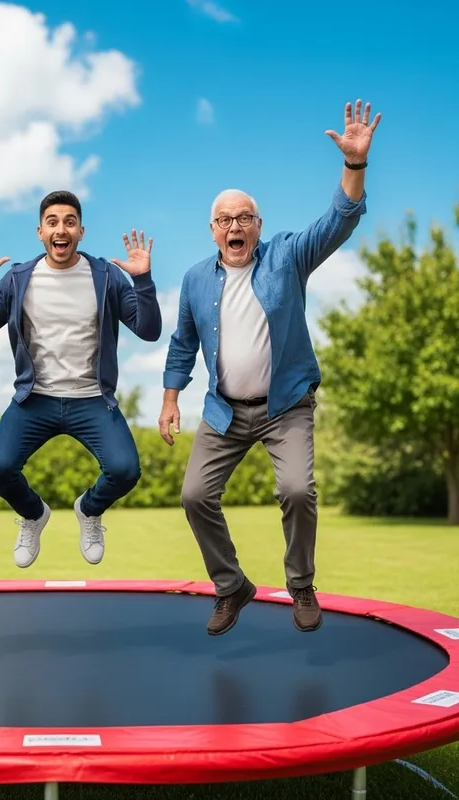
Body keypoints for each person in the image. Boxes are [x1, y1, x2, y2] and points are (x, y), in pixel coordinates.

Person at [158, 100, 382, 636]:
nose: (235, 226)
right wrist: (171, 398)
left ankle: (300, 582)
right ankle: (232, 586)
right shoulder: (194, 279)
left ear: (258, 225)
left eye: (244, 218)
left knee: (298, 492)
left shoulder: (287, 256)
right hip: (224, 412)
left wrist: (354, 166)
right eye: (225, 220)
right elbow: (182, 342)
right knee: (194, 496)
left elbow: (339, 221)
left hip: (285, 406)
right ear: (213, 229)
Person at [0, 191, 162, 567]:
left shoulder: (105, 276)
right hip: (34, 399)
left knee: (125, 470)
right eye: (52, 222)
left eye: (69, 221)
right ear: (41, 231)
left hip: (91, 399)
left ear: (81, 231)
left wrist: (143, 281)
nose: (61, 229)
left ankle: (89, 510)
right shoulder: (19, 277)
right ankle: (33, 514)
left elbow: (148, 330)